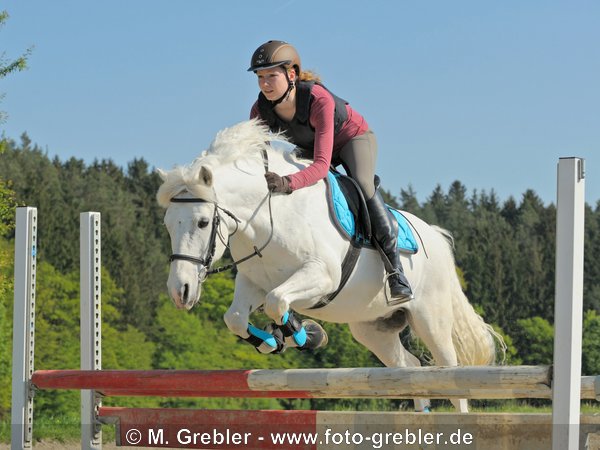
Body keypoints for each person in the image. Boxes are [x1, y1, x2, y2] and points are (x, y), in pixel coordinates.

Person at [247, 40, 413, 305]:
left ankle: (396, 271)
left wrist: (288, 182)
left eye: (272, 76)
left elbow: (322, 166)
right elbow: (260, 159)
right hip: (309, 147)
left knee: (362, 184)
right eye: (260, 77)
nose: (265, 83)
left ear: (291, 74)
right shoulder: (259, 111)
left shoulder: (317, 99)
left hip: (351, 139)